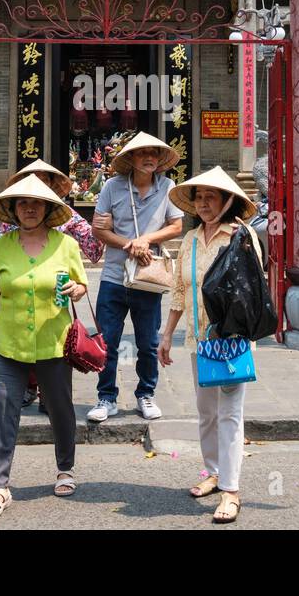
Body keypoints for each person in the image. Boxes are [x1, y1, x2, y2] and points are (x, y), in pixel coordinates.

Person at [0, 174, 89, 521]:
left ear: (48, 208)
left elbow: (81, 284)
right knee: (3, 410)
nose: (30, 208)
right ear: (13, 209)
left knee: (61, 408)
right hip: (8, 344)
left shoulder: (66, 245)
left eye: (37, 203)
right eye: (23, 202)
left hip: (54, 342)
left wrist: (77, 291)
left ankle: (65, 467)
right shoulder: (1, 247)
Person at [158, 166, 261, 525]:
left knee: (230, 415)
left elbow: (253, 288)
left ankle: (231, 491)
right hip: (198, 340)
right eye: (199, 197)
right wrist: (167, 333)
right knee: (206, 412)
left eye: (210, 197)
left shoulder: (240, 237)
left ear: (227, 201)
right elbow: (179, 289)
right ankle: (213, 472)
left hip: (230, 340)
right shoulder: (188, 240)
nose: (202, 203)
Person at [88, 131, 184, 422]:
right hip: (114, 276)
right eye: (143, 153)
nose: (150, 158)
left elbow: (176, 226)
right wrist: (130, 244)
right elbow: (99, 230)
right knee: (108, 341)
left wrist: (146, 239)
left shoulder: (168, 186)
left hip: (149, 276)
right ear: (130, 158)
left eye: (154, 153)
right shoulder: (112, 187)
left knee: (147, 342)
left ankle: (146, 393)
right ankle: (106, 397)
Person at [0, 159, 105, 410]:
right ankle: (27, 386)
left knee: (52, 341)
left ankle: (48, 392)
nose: (37, 186)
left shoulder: (68, 217)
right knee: (23, 339)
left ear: (53, 187)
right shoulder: (13, 219)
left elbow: (92, 248)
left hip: (54, 288)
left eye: (44, 180)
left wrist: (103, 228)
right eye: (32, 179)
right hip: (21, 288)